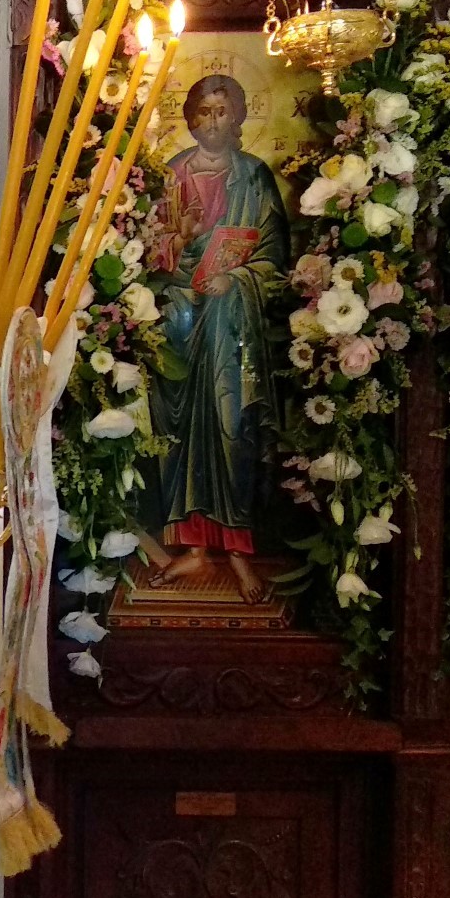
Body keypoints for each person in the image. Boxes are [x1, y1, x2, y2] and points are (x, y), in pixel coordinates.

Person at [147, 74, 288, 604]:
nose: (212, 122)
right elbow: (146, 251)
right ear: (189, 118)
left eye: (222, 112)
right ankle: (194, 549)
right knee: (181, 437)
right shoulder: (171, 175)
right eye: (203, 112)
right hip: (179, 324)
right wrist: (176, 246)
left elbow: (276, 256)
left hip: (232, 329)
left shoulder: (255, 178)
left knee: (233, 431)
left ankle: (239, 553)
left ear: (240, 116)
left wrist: (239, 278)